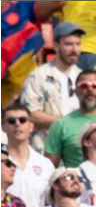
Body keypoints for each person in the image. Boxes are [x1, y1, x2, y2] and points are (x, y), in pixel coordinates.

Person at [18, 22, 83, 154]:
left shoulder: (82, 76)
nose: (74, 49)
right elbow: (30, 115)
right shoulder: (38, 76)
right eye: (69, 44)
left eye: (78, 44)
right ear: (56, 46)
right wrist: (69, 122)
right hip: (45, 149)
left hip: (76, 149)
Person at [5, 104, 57, 207]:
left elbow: (54, 201)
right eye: (11, 120)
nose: (17, 124)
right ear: (3, 127)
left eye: (23, 120)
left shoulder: (45, 164)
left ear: (31, 126)